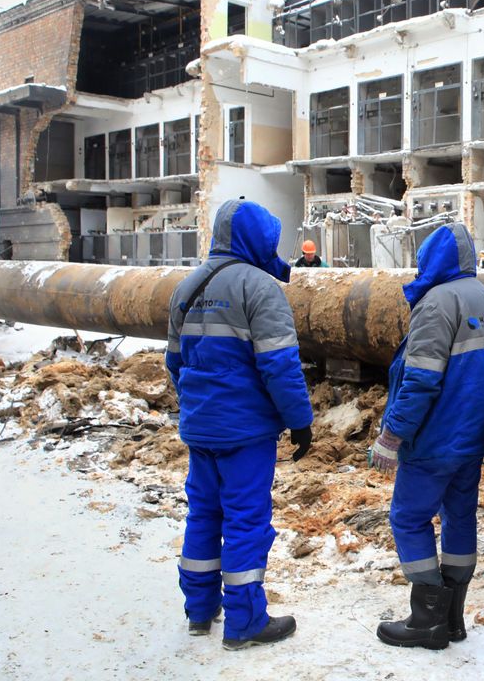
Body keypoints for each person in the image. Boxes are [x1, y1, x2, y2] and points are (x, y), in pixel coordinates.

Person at [166, 198, 314, 651]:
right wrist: (299, 420)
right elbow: (279, 365)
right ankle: (245, 622)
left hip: (201, 428)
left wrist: (199, 405)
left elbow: (174, 362)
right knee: (247, 520)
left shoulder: (188, 286)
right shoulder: (259, 287)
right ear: (258, 239)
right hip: (245, 432)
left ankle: (199, 610)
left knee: (203, 515)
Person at [369, 222, 484, 649]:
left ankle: (427, 620)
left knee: (408, 518)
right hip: (472, 437)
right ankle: (452, 618)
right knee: (459, 517)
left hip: (435, 437)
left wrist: (393, 435)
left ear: (433, 259)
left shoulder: (436, 302)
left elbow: (421, 380)